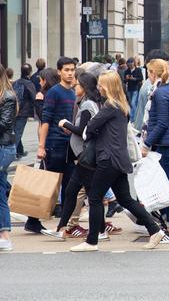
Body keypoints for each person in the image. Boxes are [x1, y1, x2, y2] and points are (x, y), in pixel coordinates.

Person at [70, 71, 165, 252]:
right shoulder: (122, 106)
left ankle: (91, 241)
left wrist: (92, 131)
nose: (99, 88)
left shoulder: (109, 107)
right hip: (119, 159)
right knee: (125, 199)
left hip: (108, 159)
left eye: (101, 85)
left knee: (95, 197)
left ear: (108, 87)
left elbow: (89, 128)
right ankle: (154, 230)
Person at [40, 72, 105, 240]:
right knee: (79, 193)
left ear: (83, 88)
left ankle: (97, 231)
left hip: (85, 156)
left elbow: (84, 132)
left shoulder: (87, 106)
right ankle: (64, 228)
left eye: (77, 85)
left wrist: (65, 123)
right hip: (84, 156)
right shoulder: (88, 103)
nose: (75, 87)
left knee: (84, 194)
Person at [25, 58, 77, 234]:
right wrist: (41, 146)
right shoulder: (55, 92)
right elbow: (46, 121)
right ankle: (33, 219)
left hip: (68, 146)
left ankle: (64, 224)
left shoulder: (72, 93)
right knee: (48, 185)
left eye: (72, 70)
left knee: (70, 185)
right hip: (54, 144)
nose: (70, 73)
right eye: (67, 70)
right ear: (59, 72)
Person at [141, 60, 169, 241]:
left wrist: (147, 143)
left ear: (153, 73)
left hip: (165, 144)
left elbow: (161, 123)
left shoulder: (160, 93)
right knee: (166, 185)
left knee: (165, 188)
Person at [0, 64, 18, 251]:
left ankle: (5, 236)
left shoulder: (7, 97)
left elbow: (4, 123)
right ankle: (4, 235)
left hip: (3, 148)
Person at [13, 64, 36, 159]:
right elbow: (34, 97)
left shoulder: (15, 82)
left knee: (16, 130)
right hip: (23, 111)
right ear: (30, 72)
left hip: (14, 110)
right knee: (18, 131)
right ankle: (13, 152)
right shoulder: (29, 84)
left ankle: (20, 151)